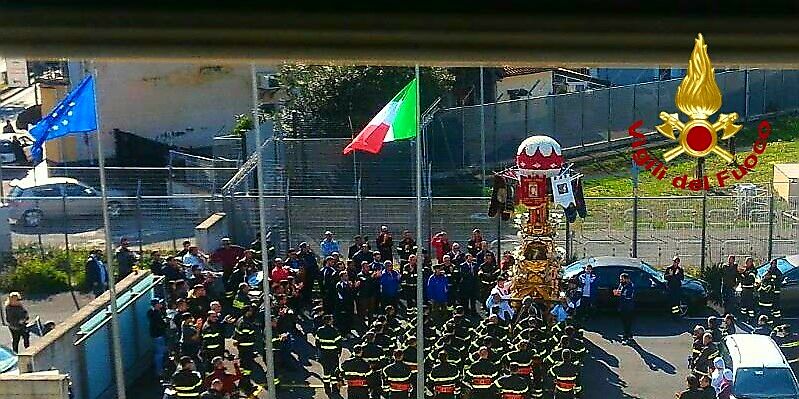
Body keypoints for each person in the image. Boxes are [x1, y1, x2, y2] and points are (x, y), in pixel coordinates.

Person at [315, 314, 343, 393]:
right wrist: (339, 352)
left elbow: (317, 343)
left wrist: (320, 351)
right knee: (334, 371)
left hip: (324, 354)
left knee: (326, 372)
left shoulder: (319, 330)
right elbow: (339, 344)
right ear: (329, 321)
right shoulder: (335, 331)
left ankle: (327, 388)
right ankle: (334, 388)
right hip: (333, 354)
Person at [147, 298, 168, 378]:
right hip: (158, 335)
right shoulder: (155, 314)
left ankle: (161, 369)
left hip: (158, 335)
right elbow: (160, 324)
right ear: (156, 304)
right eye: (159, 303)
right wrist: (165, 322)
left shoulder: (155, 313)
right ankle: (159, 371)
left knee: (161, 352)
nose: (160, 304)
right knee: (159, 353)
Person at [615, 272, 636, 344]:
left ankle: (626, 337)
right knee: (624, 322)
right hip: (622, 306)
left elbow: (629, 296)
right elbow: (619, 290)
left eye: (622, 279)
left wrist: (621, 293)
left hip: (628, 307)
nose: (620, 280)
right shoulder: (621, 284)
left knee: (627, 322)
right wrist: (617, 292)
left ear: (626, 279)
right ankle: (629, 335)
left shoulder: (631, 286)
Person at [738, 257, 756, 322]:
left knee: (750, 305)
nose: (748, 263)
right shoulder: (745, 269)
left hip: (749, 290)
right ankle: (743, 317)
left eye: (749, 262)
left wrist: (743, 274)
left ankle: (751, 319)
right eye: (747, 262)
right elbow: (741, 278)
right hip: (744, 289)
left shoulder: (753, 270)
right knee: (743, 305)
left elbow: (750, 279)